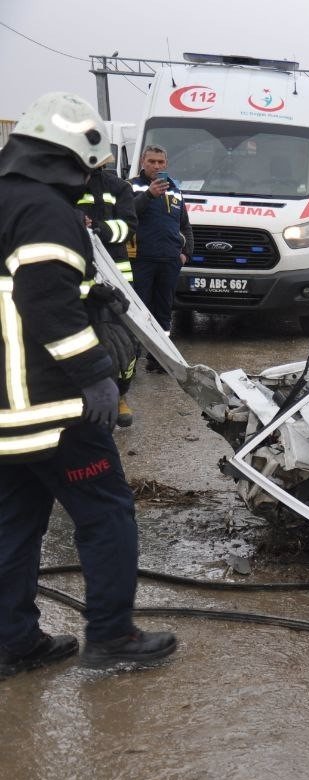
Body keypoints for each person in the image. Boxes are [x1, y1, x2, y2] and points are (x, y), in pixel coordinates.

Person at [0, 92, 177, 679]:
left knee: (15, 528)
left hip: (4, 411)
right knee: (106, 515)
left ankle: (13, 643)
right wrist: (97, 377)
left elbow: (25, 297)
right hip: (51, 408)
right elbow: (45, 306)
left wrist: (88, 297)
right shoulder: (46, 212)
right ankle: (111, 635)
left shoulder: (6, 200)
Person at [78, 165, 139, 426]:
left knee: (125, 342)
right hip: (78, 274)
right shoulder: (64, 183)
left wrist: (99, 228)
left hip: (116, 276)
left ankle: (121, 396)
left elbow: (129, 227)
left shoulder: (118, 186)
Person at [130, 144, 193, 372]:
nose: (156, 166)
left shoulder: (175, 190)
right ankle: (131, 361)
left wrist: (186, 254)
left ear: (166, 164)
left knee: (164, 314)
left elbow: (185, 225)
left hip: (169, 261)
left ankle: (159, 360)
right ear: (142, 163)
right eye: (151, 162)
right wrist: (149, 195)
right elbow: (128, 214)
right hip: (141, 260)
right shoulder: (132, 187)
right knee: (139, 311)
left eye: (160, 162)